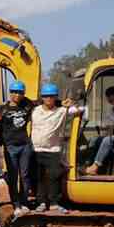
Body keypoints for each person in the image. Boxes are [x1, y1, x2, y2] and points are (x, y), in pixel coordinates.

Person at [32, 84, 84, 213]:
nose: (48, 99)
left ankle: (54, 203)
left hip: (53, 150)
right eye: (46, 96)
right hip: (36, 150)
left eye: (51, 96)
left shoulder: (61, 111)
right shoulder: (35, 110)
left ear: (55, 97)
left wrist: (69, 104)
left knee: (54, 177)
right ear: (42, 97)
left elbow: (81, 109)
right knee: (39, 178)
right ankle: (42, 203)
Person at [0, 80, 34, 216]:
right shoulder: (2, 109)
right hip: (10, 147)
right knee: (12, 176)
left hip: (25, 145)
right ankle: (15, 204)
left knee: (25, 175)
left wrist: (60, 103)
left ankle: (24, 202)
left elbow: (43, 102)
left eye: (20, 92)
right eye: (14, 92)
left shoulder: (28, 105)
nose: (17, 95)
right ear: (10, 93)